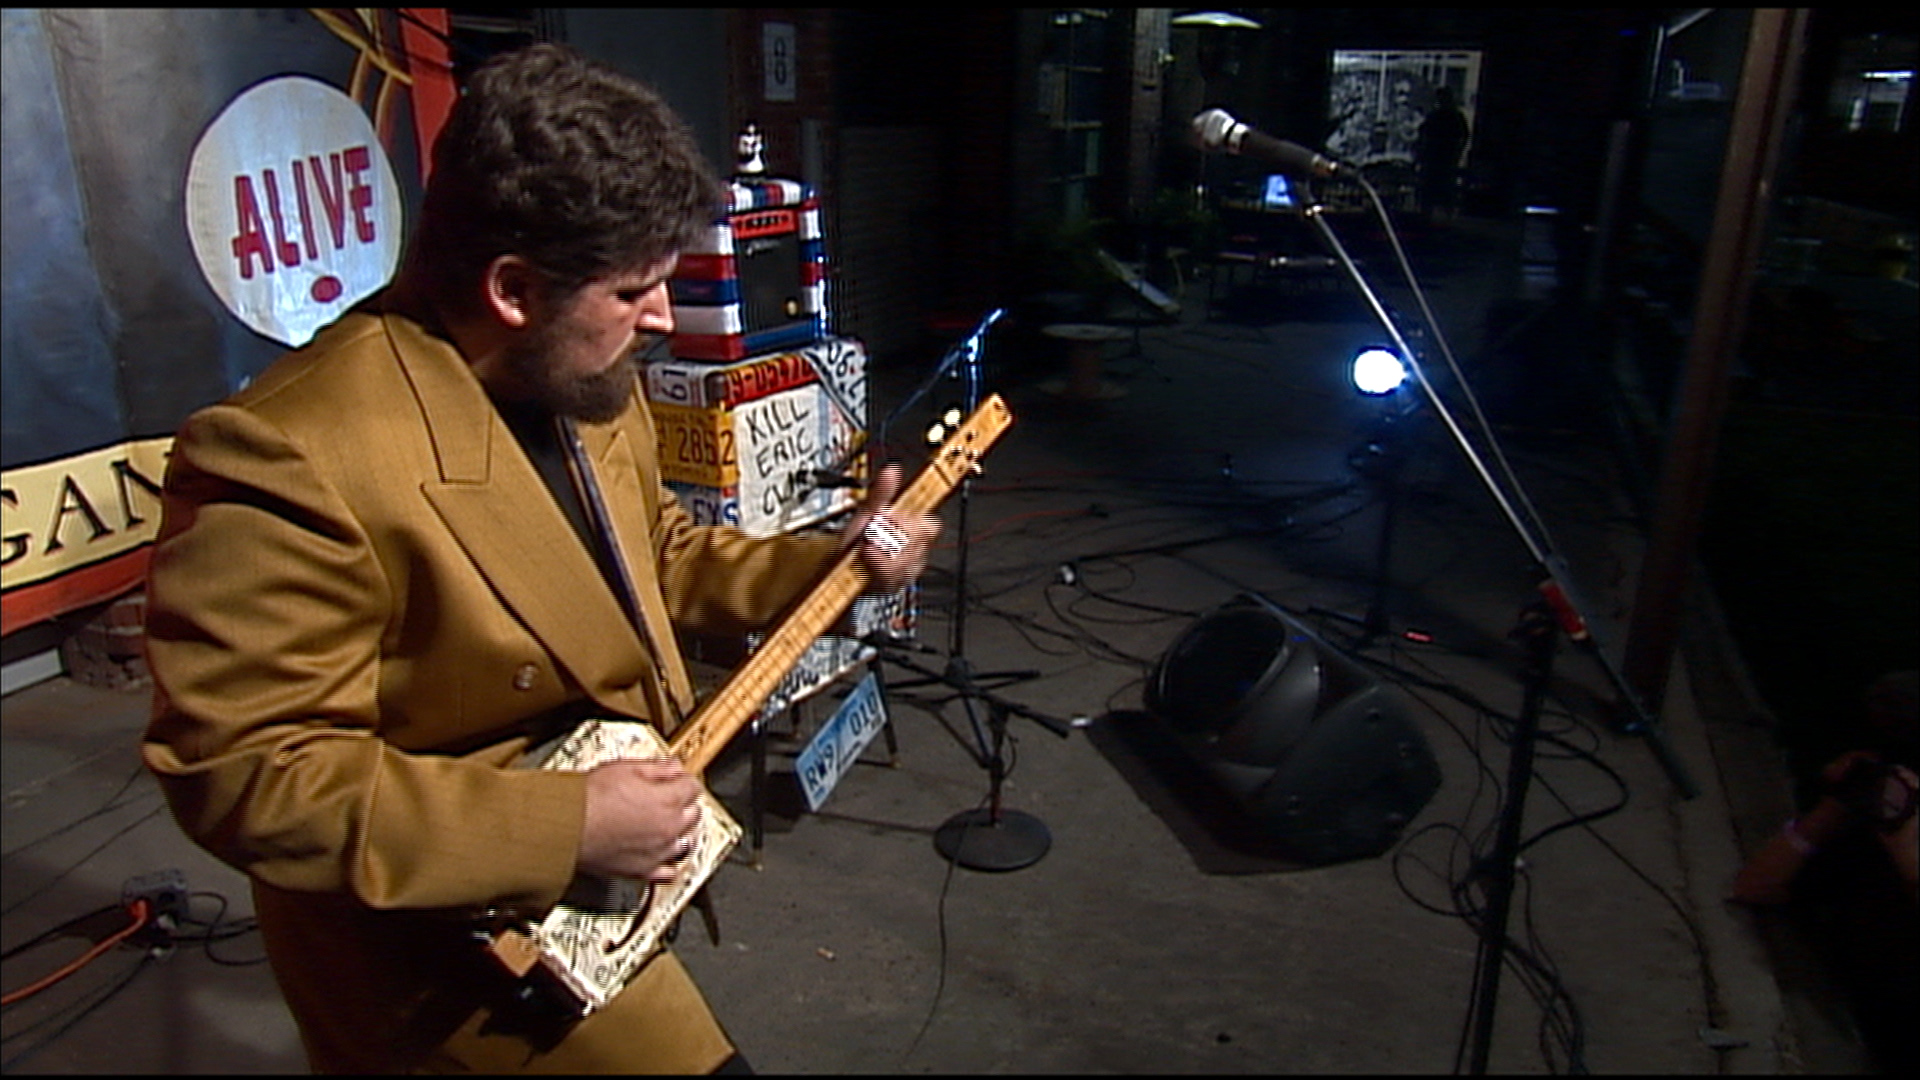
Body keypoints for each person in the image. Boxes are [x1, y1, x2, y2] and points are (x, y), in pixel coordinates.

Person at [140, 43, 938, 1074]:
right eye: (637, 289)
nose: (663, 315)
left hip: (586, 912)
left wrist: (843, 567)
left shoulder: (577, 375)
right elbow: (245, 771)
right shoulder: (288, 454)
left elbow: (657, 555)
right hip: (441, 949)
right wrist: (564, 826)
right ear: (514, 287)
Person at [1415, 87, 1471, 221]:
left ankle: (1444, 216)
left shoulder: (1452, 117)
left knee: (1443, 188)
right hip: (1436, 158)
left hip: (1443, 158)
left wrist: (1457, 152)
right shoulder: (1436, 116)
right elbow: (1423, 135)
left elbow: (1464, 136)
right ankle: (1428, 216)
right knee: (1432, 189)